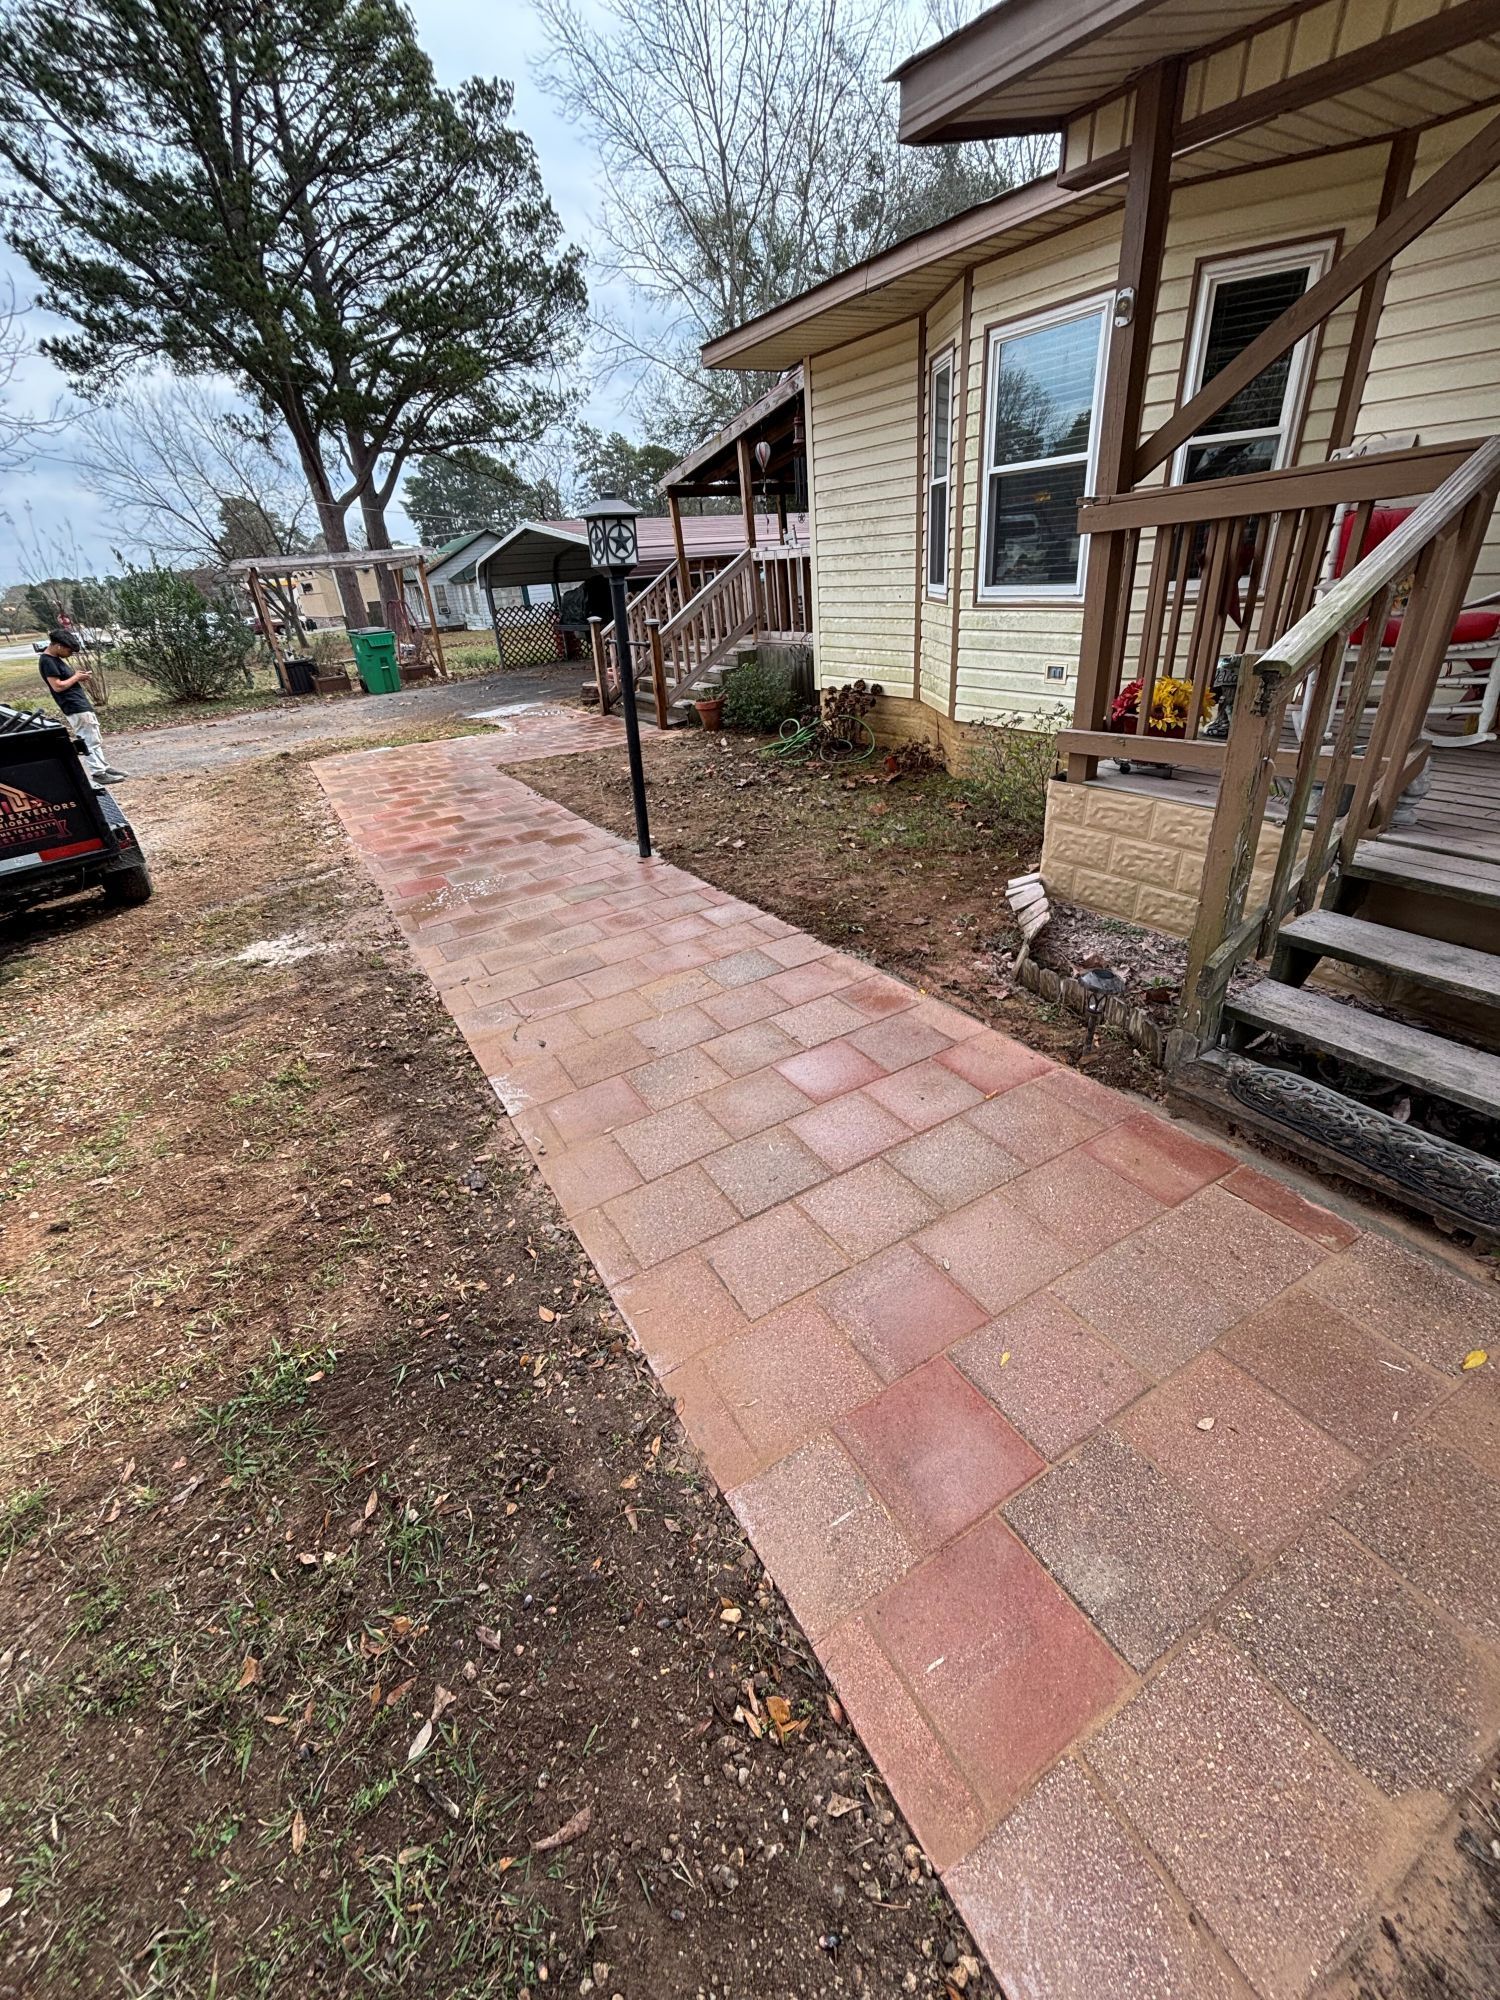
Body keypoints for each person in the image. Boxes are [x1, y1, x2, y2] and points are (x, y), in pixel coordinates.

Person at [37, 629, 128, 786]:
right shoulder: (47, 661)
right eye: (69, 650)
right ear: (58, 646)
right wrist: (76, 677)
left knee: (94, 737)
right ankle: (98, 773)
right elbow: (57, 686)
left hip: (79, 704)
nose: (70, 653)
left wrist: (77, 677)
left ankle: (103, 767)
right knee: (88, 739)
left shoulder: (55, 659)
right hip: (73, 705)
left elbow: (65, 681)